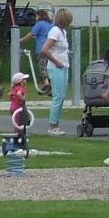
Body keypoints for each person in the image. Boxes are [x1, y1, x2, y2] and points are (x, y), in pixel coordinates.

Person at [42, 8, 72, 136]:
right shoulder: (55, 31)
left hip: (64, 67)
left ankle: (56, 123)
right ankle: (53, 125)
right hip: (56, 67)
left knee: (62, 96)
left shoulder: (63, 32)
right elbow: (45, 49)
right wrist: (56, 61)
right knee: (57, 97)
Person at [20, 8, 53, 93]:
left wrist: (21, 40)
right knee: (50, 66)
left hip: (42, 48)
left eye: (36, 16)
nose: (35, 18)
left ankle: (46, 83)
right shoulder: (50, 24)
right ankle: (50, 84)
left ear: (40, 16)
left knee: (42, 65)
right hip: (51, 48)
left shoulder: (39, 24)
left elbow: (31, 34)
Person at [7, 70, 30, 152]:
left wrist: (12, 99)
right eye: (24, 79)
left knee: (16, 123)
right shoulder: (21, 88)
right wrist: (23, 99)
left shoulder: (14, 87)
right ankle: (17, 140)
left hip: (12, 107)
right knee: (19, 124)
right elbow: (19, 94)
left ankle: (17, 138)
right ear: (21, 81)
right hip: (18, 107)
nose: (26, 80)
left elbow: (10, 94)